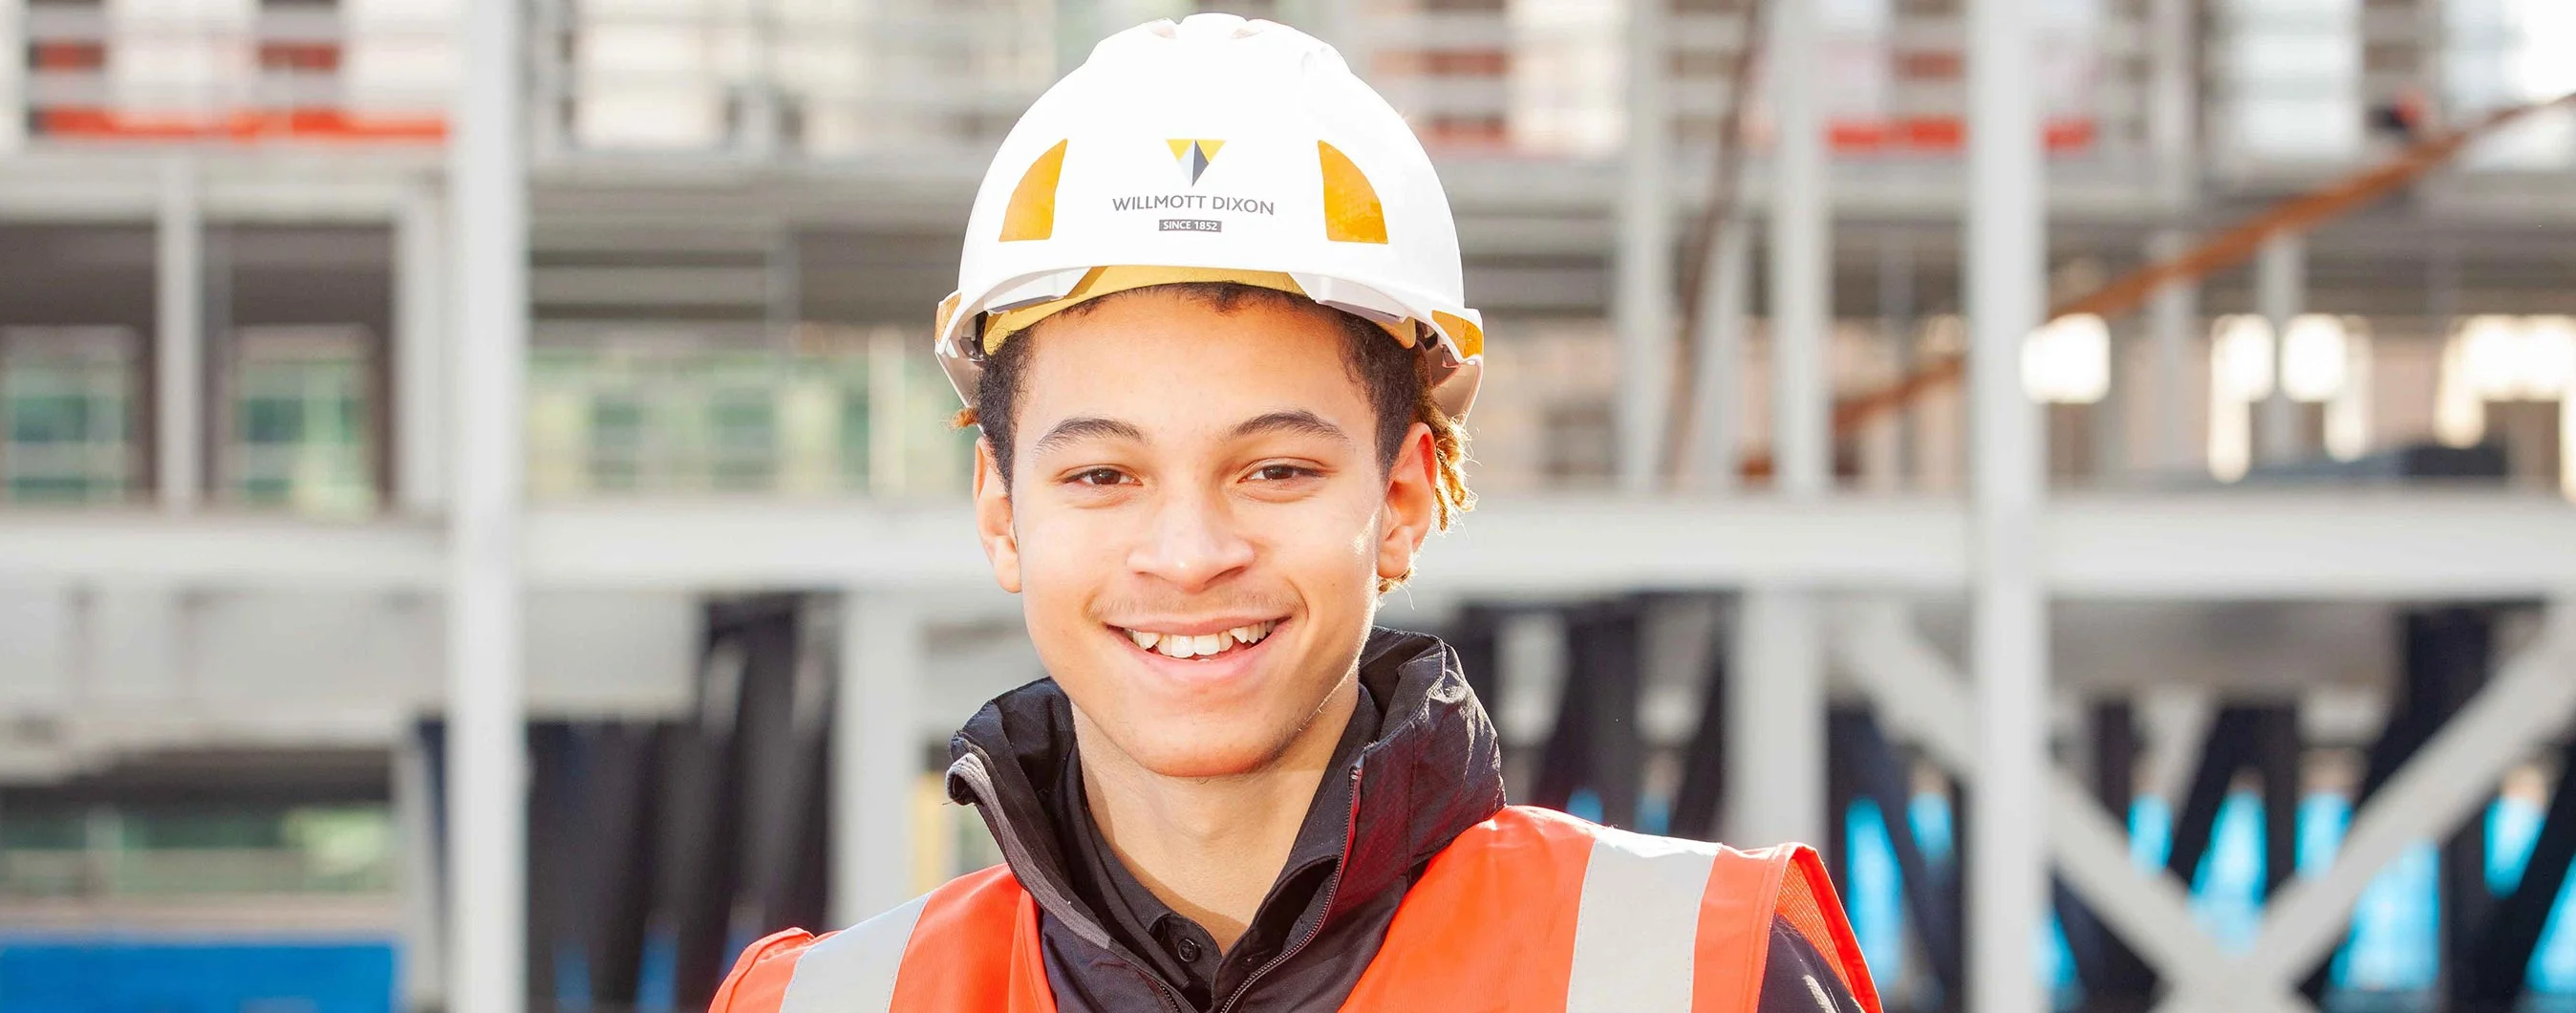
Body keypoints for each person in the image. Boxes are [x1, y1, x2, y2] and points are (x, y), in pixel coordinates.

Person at [712, 14, 1879, 1013]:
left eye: (1274, 471)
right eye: (1103, 476)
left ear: (1408, 496)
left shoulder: (1694, 973)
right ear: (1004, 512)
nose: (1189, 554)